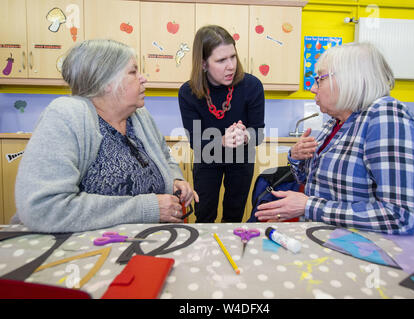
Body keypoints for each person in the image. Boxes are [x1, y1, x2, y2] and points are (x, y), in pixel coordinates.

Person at [14, 39, 198, 233]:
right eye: (133, 72)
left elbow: (164, 156)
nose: (143, 78)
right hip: (85, 252)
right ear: (106, 82)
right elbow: (44, 209)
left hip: (147, 243)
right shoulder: (65, 116)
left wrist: (175, 180)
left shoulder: (139, 116)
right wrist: (146, 208)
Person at [255, 42, 414, 235]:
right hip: (325, 237)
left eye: (319, 80)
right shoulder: (336, 122)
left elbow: (400, 217)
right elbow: (311, 182)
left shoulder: (385, 116)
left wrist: (308, 206)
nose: (313, 88)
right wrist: (296, 157)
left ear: (349, 79)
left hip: (360, 247)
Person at [178, 25, 265, 223]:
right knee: (204, 215)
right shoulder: (187, 92)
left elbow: (259, 132)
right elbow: (195, 141)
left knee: (234, 216)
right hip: (207, 161)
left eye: (233, 57)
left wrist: (246, 136)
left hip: (241, 160)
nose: (231, 66)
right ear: (203, 64)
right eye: (221, 60)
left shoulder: (252, 86)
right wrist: (222, 140)